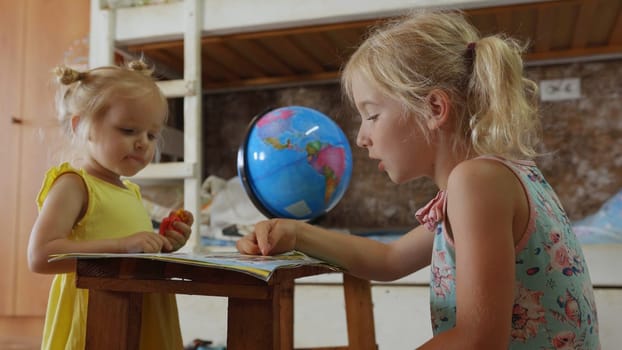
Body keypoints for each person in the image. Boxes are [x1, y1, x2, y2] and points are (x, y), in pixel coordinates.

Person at [236, 10, 600, 349]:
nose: (362, 137)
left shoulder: (477, 183)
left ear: (434, 109)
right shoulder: (497, 177)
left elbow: (479, 340)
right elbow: (390, 259)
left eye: (372, 115)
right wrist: (296, 233)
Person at [27, 60, 193, 350]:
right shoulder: (74, 184)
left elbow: (130, 249)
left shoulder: (130, 191)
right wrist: (122, 246)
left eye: (151, 135)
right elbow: (41, 255)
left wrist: (162, 243)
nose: (143, 143)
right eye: (128, 130)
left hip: (142, 308)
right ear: (83, 126)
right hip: (98, 316)